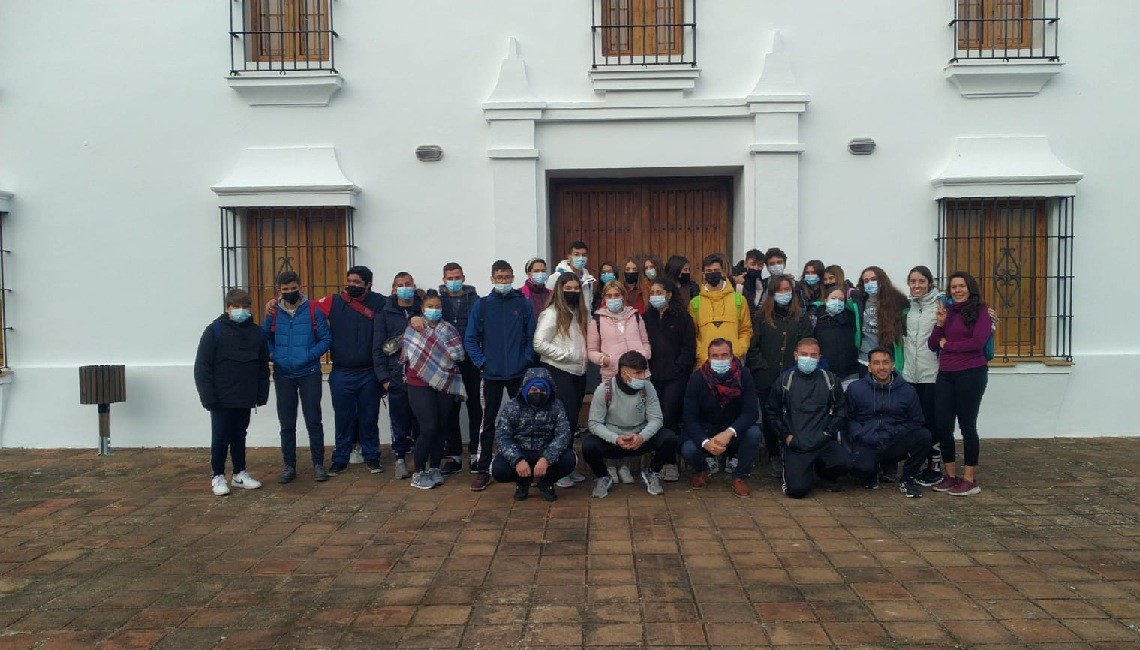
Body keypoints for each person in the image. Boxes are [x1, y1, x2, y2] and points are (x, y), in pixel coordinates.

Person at [466, 260, 537, 491]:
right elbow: (470, 339)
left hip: (518, 373)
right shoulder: (483, 305)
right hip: (492, 375)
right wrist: (483, 363)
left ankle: (527, 465)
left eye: (507, 277)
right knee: (488, 423)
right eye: (499, 277)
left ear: (513, 277)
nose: (503, 281)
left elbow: (531, 335)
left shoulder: (522, 303)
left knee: (525, 420)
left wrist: (525, 360)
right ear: (492, 279)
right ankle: (483, 468)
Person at [194, 289, 270, 496]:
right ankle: (217, 475)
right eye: (236, 306)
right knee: (220, 436)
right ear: (227, 308)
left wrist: (261, 394)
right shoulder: (214, 331)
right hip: (221, 396)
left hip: (245, 394)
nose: (241, 310)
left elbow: (263, 365)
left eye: (245, 306)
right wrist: (208, 396)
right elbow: (202, 366)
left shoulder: (257, 333)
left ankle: (239, 473)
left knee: (239, 434)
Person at [263, 270, 332, 484]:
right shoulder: (273, 313)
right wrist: (274, 355)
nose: (290, 292)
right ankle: (289, 466)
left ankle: (318, 464)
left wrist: (309, 356)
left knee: (313, 420)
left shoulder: (313, 310)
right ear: (279, 291)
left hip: (309, 373)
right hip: (284, 374)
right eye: (286, 290)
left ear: (300, 287)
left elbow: (326, 339)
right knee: (287, 422)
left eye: (294, 288)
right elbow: (264, 338)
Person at [316, 266, 385, 477]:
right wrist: (274, 303)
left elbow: (403, 308)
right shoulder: (333, 301)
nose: (351, 285)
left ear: (368, 284)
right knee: (343, 418)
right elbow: (305, 308)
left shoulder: (380, 302)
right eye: (349, 281)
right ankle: (340, 459)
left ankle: (372, 456)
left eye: (357, 282)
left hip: (369, 373)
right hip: (341, 372)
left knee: (369, 417)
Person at [928, 271, 992, 497]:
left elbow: (977, 342)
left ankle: (969, 478)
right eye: (953, 287)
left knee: (967, 426)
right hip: (946, 373)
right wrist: (939, 324)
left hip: (971, 372)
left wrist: (949, 345)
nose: (957, 290)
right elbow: (933, 345)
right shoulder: (948, 313)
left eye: (961, 286)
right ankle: (950, 475)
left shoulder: (981, 311)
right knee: (943, 426)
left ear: (970, 288)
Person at [585, 351, 679, 498]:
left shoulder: (648, 388)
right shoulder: (604, 390)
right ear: (624, 373)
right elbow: (594, 423)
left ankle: (652, 472)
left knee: (669, 438)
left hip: (639, 439)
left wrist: (641, 437)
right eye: (638, 373)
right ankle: (603, 476)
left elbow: (656, 419)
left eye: (644, 372)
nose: (642, 377)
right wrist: (615, 438)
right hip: (614, 440)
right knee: (589, 446)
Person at [746, 274, 813, 478]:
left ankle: (792, 452)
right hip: (767, 377)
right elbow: (753, 347)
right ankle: (774, 455)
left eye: (787, 290)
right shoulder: (760, 316)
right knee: (770, 417)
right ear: (772, 293)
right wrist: (762, 367)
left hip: (794, 376)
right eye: (779, 290)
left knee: (793, 415)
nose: (784, 294)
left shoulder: (800, 316)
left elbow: (807, 342)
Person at [587, 280, 652, 483]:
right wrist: (604, 359)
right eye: (610, 296)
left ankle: (625, 464)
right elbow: (591, 351)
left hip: (637, 375)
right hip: (611, 375)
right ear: (605, 298)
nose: (614, 299)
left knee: (632, 419)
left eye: (617, 295)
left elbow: (646, 342)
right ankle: (611, 465)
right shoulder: (597, 319)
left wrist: (644, 355)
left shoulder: (635, 316)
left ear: (624, 296)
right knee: (613, 420)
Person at [769, 338, 850, 499]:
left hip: (823, 441)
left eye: (813, 355)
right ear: (795, 356)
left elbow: (842, 411)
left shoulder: (830, 380)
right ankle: (801, 473)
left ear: (819, 358)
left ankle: (824, 474)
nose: (809, 358)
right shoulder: (785, 381)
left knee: (846, 462)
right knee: (797, 491)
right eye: (804, 354)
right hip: (797, 444)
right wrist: (787, 437)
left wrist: (827, 433)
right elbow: (772, 413)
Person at [845, 348, 932, 498]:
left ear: (893, 365)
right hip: (867, 441)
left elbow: (917, 421)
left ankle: (907, 477)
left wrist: (895, 431)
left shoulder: (907, 391)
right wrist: (860, 433)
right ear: (869, 367)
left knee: (924, 436)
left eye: (885, 362)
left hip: (894, 440)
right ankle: (873, 470)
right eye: (876, 363)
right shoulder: (855, 388)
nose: (881, 367)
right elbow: (847, 417)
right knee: (859, 469)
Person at [681, 339, 762, 497]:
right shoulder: (697, 378)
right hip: (706, 430)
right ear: (708, 358)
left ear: (732, 356)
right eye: (715, 356)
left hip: (734, 430)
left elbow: (751, 412)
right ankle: (701, 470)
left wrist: (729, 432)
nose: (720, 360)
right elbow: (689, 418)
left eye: (724, 355)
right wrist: (705, 442)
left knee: (754, 434)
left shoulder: (743, 375)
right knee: (688, 449)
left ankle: (739, 476)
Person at [403, 290, 465, 490]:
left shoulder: (449, 329)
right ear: (422, 309)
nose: (434, 310)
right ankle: (419, 472)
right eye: (430, 307)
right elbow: (410, 354)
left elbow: (458, 354)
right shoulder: (414, 328)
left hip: (445, 381)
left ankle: (435, 468)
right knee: (428, 427)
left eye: (438, 307)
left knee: (441, 427)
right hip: (419, 383)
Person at [489, 367, 577, 501]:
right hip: (520, 450)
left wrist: (546, 458)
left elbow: (563, 435)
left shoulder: (556, 405)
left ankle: (546, 482)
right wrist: (517, 460)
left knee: (570, 460)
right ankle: (522, 482)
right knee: (498, 469)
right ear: (526, 388)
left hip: (544, 450)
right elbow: (502, 436)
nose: (538, 393)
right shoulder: (512, 406)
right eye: (534, 390)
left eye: (543, 390)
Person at [643, 277, 695, 482]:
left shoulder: (682, 317)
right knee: (655, 418)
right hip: (652, 377)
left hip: (676, 377)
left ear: (669, 294)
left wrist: (679, 367)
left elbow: (689, 348)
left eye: (659, 292)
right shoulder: (646, 317)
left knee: (669, 417)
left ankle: (668, 462)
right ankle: (661, 461)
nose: (655, 296)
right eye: (652, 293)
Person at [373, 272, 423, 480]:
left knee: (421, 420)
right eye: (400, 285)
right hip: (396, 378)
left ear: (413, 285)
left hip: (421, 376)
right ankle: (400, 458)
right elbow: (377, 349)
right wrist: (384, 379)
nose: (405, 288)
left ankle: (422, 458)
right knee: (399, 421)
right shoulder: (384, 314)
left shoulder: (423, 309)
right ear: (394, 288)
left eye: (408, 284)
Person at [438, 262, 482, 475]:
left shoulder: (475, 300)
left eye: (457, 277)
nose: (453, 281)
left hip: (471, 362)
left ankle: (476, 454)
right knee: (449, 409)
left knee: (475, 407)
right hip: (445, 363)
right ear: (444, 279)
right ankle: (453, 455)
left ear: (463, 277)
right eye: (449, 278)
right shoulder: (436, 301)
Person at [902, 265, 944, 487]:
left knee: (932, 422)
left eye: (921, 281)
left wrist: (988, 317)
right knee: (917, 421)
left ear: (929, 282)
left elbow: (966, 313)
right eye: (913, 281)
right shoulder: (909, 307)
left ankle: (934, 466)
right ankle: (919, 461)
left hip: (932, 374)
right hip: (912, 375)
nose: (917, 285)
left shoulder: (941, 303)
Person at [691, 254, 753, 368]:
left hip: (733, 364)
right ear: (703, 275)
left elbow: (746, 330)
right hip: (705, 365)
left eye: (716, 270)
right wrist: (702, 353)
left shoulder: (739, 300)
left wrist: (738, 350)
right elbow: (692, 334)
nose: (712, 273)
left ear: (723, 272)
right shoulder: (695, 303)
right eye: (709, 271)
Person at [854, 266, 907, 373]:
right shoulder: (858, 302)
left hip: (887, 360)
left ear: (882, 280)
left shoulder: (897, 302)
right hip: (864, 359)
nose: (870, 283)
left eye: (874, 279)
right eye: (866, 281)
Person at [811, 286, 861, 388]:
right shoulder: (815, 318)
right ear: (825, 300)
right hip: (825, 372)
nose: (837, 302)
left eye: (841, 300)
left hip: (850, 373)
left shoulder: (851, 318)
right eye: (833, 298)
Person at [547, 240, 597, 310]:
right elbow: (549, 301)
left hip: (583, 319)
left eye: (584, 255)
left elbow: (589, 304)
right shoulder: (556, 277)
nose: (581, 258)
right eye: (577, 255)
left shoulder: (589, 280)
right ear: (569, 257)